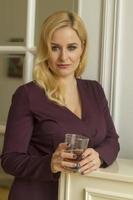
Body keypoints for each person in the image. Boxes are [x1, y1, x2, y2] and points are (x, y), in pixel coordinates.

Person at [0, 10, 120, 200]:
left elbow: (112, 140)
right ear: (46, 49)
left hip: (82, 193)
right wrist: (50, 163)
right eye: (55, 48)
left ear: (83, 47)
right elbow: (9, 159)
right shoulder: (28, 95)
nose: (64, 57)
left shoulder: (94, 90)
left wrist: (99, 156)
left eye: (71, 47)